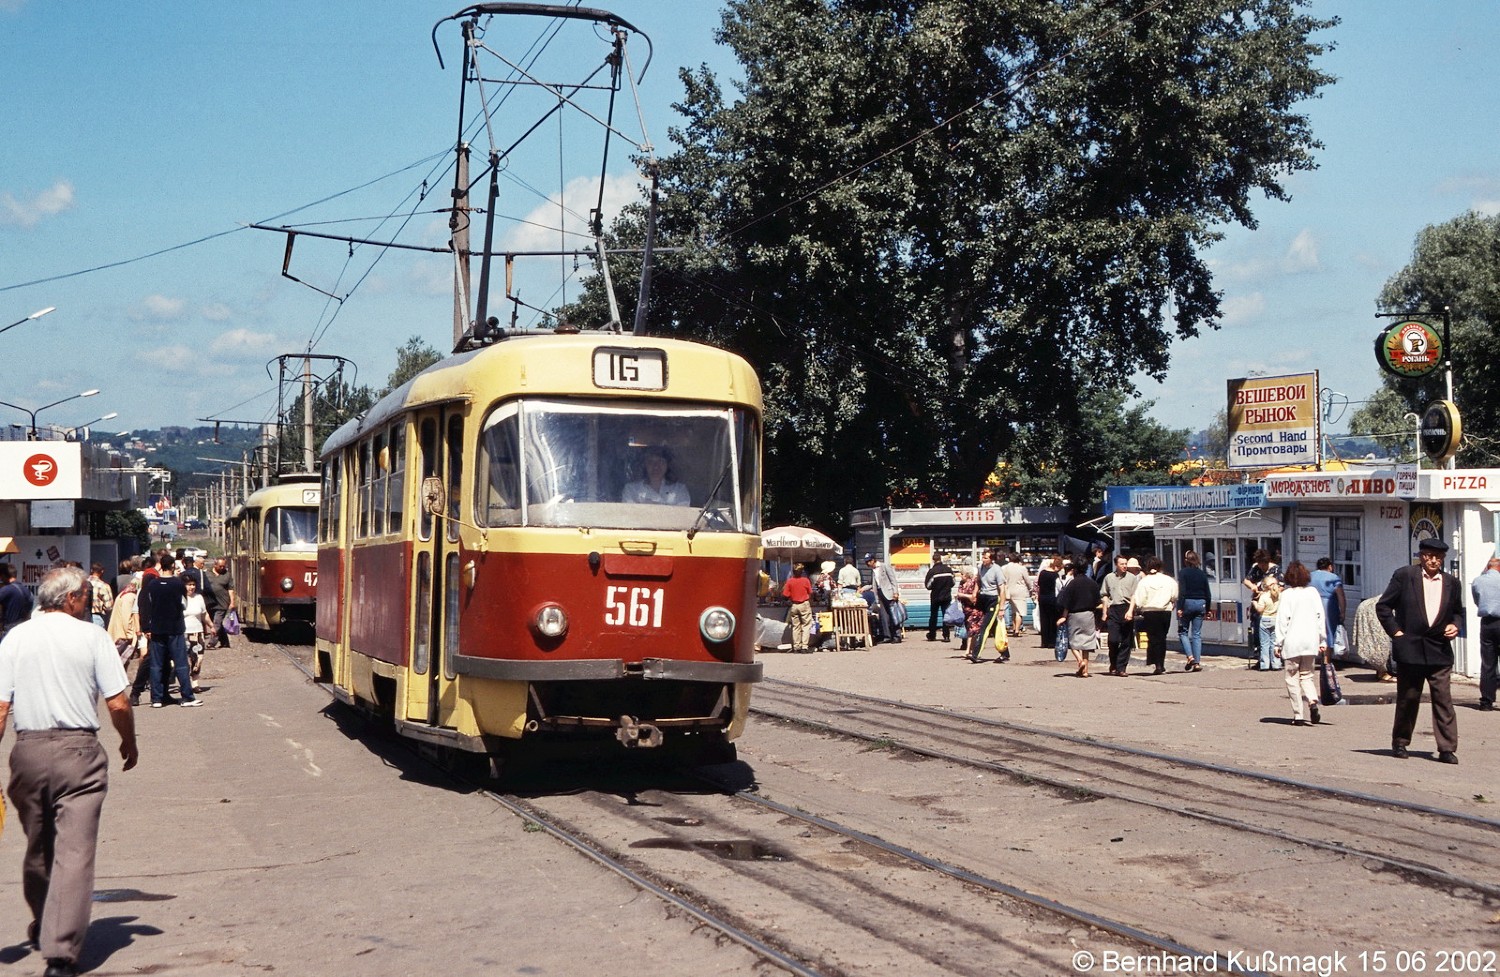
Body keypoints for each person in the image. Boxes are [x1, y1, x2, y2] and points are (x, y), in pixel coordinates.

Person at [0, 565, 138, 977]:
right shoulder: (92, 637)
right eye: (85, 597)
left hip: (28, 752)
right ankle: (59, 953)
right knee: (74, 852)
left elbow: (1, 707)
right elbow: (117, 703)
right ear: (73, 599)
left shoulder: (15, 638)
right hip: (80, 753)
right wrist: (129, 742)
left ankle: (47, 919)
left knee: (39, 847)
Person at [1375, 538, 1463, 763]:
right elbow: (1383, 606)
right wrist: (1396, 633)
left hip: (1439, 650)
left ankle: (1446, 748)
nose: (1433, 561)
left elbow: (1457, 611)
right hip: (1411, 649)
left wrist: (1456, 624)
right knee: (1409, 697)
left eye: (1438, 557)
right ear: (1421, 556)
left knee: (1443, 700)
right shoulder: (1405, 576)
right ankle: (1401, 742)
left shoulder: (1452, 582)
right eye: (1428, 556)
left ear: (1443, 559)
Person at [139, 555, 202, 708]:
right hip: (175, 627)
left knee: (156, 664)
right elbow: (184, 603)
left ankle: (156, 698)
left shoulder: (153, 584)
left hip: (157, 628)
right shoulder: (178, 583)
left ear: (161, 565)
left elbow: (149, 603)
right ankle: (187, 697)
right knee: (181, 663)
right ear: (173, 565)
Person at [1274, 560, 1327, 726]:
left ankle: (1298, 715)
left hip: (1292, 642)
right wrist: (1322, 639)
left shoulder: (1287, 595)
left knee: (1292, 678)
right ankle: (1312, 701)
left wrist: (1278, 643)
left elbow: (1283, 620)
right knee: (1307, 676)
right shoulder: (1313, 592)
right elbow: (1320, 616)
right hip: (1310, 641)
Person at [1126, 555, 1177, 675]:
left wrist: (1140, 606)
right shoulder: (1169, 580)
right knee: (1162, 637)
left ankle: (1157, 664)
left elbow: (1140, 599)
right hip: (1165, 611)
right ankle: (1161, 663)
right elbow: (1174, 595)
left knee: (1153, 637)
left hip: (1150, 611)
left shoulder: (1144, 581)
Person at [1057, 561, 1102, 677]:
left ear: (1074, 569)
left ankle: (1079, 661)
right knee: (1086, 643)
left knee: (1073, 642)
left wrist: (1063, 617)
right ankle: (1085, 670)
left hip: (1074, 615)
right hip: (1089, 614)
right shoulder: (1092, 583)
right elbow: (1098, 601)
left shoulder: (1072, 584)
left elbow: (1066, 603)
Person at [1099, 555, 1138, 676]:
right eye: (1122, 564)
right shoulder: (1109, 578)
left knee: (1126, 641)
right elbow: (1104, 595)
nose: (1125, 566)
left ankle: (1122, 668)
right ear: (1116, 565)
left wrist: (1130, 611)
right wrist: (1105, 612)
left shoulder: (1132, 578)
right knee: (1113, 640)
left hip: (1126, 608)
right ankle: (1114, 663)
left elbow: (1134, 596)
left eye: (1126, 564)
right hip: (1114, 609)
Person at [1471, 556, 1500, 711]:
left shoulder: (1477, 581)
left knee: (1488, 663)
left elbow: (1477, 600)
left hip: (1487, 623)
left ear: (1488, 567)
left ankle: (1486, 702)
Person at [1242, 548, 1280, 666]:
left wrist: (1268, 592)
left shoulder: (1276, 570)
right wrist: (1253, 587)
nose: (1262, 567)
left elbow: (1281, 586)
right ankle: (1261, 659)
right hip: (1258, 603)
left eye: (1263, 564)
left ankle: (1273, 660)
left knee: (1272, 635)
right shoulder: (1255, 568)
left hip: (1270, 605)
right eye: (1259, 564)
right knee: (1257, 632)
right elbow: (1246, 580)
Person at [1175, 550, 1210, 672]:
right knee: (1197, 634)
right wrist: (1208, 608)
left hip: (1188, 603)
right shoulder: (1202, 574)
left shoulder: (1183, 573)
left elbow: (1182, 592)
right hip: (1201, 603)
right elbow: (1208, 593)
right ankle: (1197, 663)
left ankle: (1190, 657)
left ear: (1186, 561)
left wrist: (1180, 607)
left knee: (1183, 632)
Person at [621, 446, 690, 506]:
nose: (656, 466)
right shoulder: (631, 490)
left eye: (661, 461)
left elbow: (681, 516)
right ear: (644, 465)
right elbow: (630, 516)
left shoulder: (679, 490)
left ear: (667, 465)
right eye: (650, 462)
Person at [971, 549, 1004, 662]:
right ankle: (1005, 653)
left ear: (992, 559)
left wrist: (1001, 608)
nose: (983, 560)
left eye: (986, 558)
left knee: (984, 627)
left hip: (993, 599)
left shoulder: (997, 570)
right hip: (983, 598)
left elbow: (1002, 590)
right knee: (993, 626)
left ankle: (975, 654)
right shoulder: (981, 568)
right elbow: (978, 582)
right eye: (983, 557)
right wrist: (975, 593)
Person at [1309, 557, 1347, 656]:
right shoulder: (1333, 578)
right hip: (1329, 606)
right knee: (1329, 632)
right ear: (1330, 566)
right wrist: (1342, 612)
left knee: (1315, 630)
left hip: (1313, 605)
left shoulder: (1310, 576)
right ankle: (1326, 660)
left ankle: (1315, 656)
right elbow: (1340, 596)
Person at [864, 554, 903, 644]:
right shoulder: (873, 571)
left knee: (893, 614)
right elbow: (874, 584)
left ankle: (897, 635)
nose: (868, 563)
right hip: (880, 593)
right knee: (884, 616)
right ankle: (887, 636)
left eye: (869, 561)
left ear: (873, 560)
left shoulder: (884, 566)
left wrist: (895, 592)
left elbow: (893, 579)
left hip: (889, 593)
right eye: (866, 562)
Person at [182, 576, 211, 687]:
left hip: (197, 632)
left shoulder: (199, 597)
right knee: (183, 659)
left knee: (198, 657)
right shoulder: (180, 598)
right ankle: (184, 683)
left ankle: (195, 682)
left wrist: (211, 626)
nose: (191, 587)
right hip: (183, 632)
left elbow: (204, 614)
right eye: (189, 584)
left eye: (193, 584)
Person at [781, 565, 814, 654]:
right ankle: (804, 646)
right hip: (804, 604)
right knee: (806, 625)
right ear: (802, 571)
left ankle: (796, 647)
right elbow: (811, 592)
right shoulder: (805, 580)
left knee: (796, 626)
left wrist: (789, 600)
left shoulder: (790, 581)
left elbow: (785, 595)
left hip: (794, 605)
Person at [204, 557, 236, 649]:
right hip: (210, 603)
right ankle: (225, 642)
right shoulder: (207, 574)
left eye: (224, 566)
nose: (222, 568)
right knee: (218, 623)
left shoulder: (227, 575)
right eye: (220, 566)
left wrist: (232, 602)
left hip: (222, 603)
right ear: (215, 565)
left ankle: (212, 643)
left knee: (216, 623)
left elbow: (230, 589)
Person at [1252, 578, 1283, 671]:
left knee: (1264, 643)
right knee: (1275, 643)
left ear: (1265, 587)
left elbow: (1260, 610)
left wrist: (1254, 603)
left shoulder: (1264, 597)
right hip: (1276, 619)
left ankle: (1265, 665)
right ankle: (1276, 664)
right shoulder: (1280, 595)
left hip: (1265, 619)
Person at [924, 556, 955, 642]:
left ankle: (932, 634)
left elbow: (928, 586)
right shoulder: (949, 570)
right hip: (946, 596)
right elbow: (953, 582)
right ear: (940, 559)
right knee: (946, 615)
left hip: (935, 596)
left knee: (933, 616)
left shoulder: (932, 571)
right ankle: (946, 635)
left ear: (933, 560)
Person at [2, 562, 36, 639]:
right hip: (24, 628)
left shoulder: (7, 590)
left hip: (10, 630)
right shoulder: (27, 590)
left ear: (4, 575)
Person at [1000, 552, 1031, 636]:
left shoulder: (1004, 568)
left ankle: (1013, 627)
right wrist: (1031, 589)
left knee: (1012, 611)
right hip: (1019, 591)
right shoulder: (1022, 568)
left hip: (1008, 590)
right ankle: (1017, 630)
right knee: (1019, 612)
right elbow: (1027, 580)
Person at [1035, 554, 1062, 650]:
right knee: (1052, 620)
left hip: (1042, 598)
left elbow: (1038, 584)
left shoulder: (1042, 573)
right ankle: (1052, 642)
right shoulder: (1055, 575)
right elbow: (1059, 587)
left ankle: (1044, 641)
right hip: (1052, 598)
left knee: (1044, 619)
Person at [954, 567, 982, 656]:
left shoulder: (974, 582)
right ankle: (972, 650)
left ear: (967, 574)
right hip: (965, 609)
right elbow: (959, 595)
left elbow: (973, 597)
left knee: (972, 630)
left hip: (975, 609)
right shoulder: (962, 583)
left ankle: (968, 651)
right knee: (969, 629)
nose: (961, 576)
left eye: (962, 574)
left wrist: (962, 595)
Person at [86, 564, 114, 628]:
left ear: (91, 570)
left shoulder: (83, 583)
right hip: (97, 617)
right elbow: (109, 606)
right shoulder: (103, 586)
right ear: (102, 571)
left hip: (84, 616)